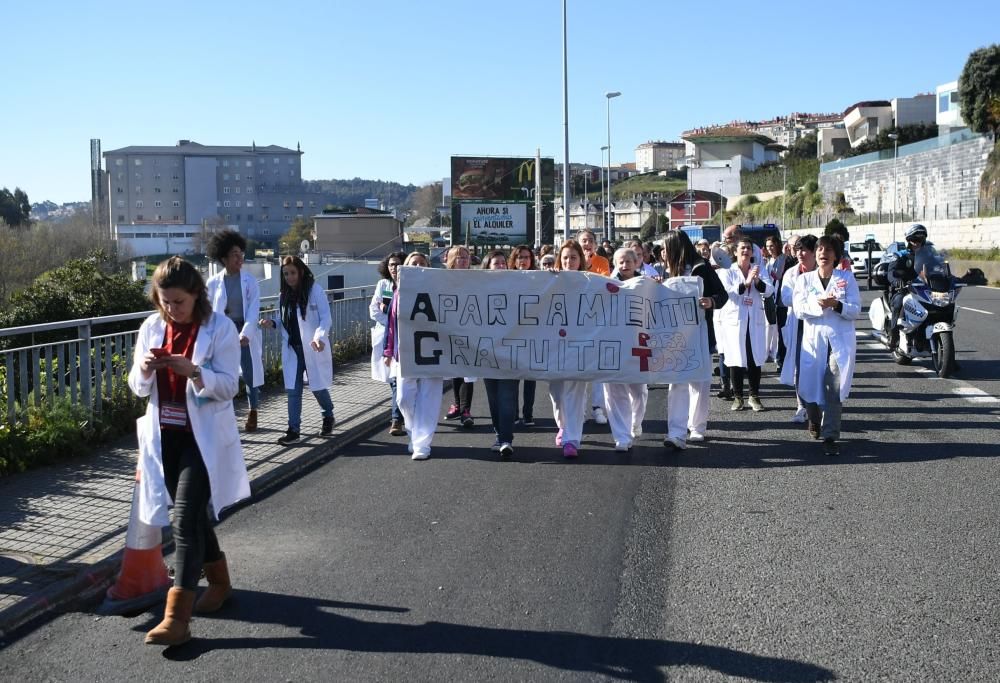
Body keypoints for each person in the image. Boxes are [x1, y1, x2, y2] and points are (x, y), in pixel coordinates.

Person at [128, 257, 250, 646]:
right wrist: (146, 369)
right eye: (164, 301)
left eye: (178, 302)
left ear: (197, 295)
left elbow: (230, 385)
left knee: (182, 519)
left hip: (204, 439)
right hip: (166, 436)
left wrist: (195, 372)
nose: (170, 309)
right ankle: (220, 581)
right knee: (192, 515)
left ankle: (176, 618)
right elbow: (136, 387)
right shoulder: (151, 326)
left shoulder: (220, 328)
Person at [792, 235, 861, 456]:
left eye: (828, 250)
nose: (823, 253)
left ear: (836, 256)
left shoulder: (846, 278)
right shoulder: (804, 280)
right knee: (809, 387)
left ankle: (831, 435)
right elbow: (798, 309)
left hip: (839, 341)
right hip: (813, 341)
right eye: (820, 249)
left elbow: (856, 309)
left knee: (833, 388)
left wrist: (837, 305)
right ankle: (813, 418)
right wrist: (819, 305)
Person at [661, 230, 728, 450]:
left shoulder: (702, 266)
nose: (662, 252)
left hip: (700, 333)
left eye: (665, 248)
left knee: (699, 383)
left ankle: (697, 427)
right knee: (677, 383)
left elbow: (722, 295)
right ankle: (676, 432)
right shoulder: (667, 270)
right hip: (675, 336)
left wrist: (710, 301)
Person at [259, 256, 335, 445]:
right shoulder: (283, 296)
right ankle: (293, 430)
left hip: (311, 347)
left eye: (292, 273)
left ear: (301, 272)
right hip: (293, 349)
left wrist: (319, 336)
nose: (289, 277)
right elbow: (283, 320)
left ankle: (328, 415)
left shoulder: (314, 291)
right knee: (293, 391)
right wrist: (272, 323)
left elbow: (326, 318)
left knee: (317, 387)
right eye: (286, 274)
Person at [382, 252, 441, 460]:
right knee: (404, 398)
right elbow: (391, 325)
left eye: (421, 263)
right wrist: (388, 350)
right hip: (405, 353)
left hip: (432, 352)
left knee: (429, 398)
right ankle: (414, 434)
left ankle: (422, 444)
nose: (416, 266)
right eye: (412, 263)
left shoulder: (437, 289)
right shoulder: (398, 292)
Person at [205, 230, 263, 433]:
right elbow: (208, 313)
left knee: (249, 372)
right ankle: (223, 415)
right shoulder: (212, 283)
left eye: (241, 254)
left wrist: (246, 333)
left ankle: (253, 410)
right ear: (223, 258)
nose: (240, 258)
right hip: (223, 332)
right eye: (235, 254)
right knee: (222, 373)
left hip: (244, 331)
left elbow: (254, 309)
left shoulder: (250, 281)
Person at [719, 237, 774, 412]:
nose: (745, 251)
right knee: (735, 358)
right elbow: (729, 294)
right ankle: (738, 397)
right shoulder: (727, 271)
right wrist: (747, 282)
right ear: (735, 252)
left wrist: (757, 281)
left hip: (754, 321)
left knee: (754, 358)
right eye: (742, 248)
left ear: (752, 252)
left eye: (748, 248)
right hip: (735, 321)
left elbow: (770, 290)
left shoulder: (758, 269)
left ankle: (754, 396)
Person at [548, 240, 591, 458]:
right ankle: (563, 426)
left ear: (580, 260)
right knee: (557, 394)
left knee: (575, 392)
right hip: (554, 346)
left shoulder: (590, 282)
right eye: (565, 257)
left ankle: (572, 439)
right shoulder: (551, 280)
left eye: (573, 257)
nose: (569, 261)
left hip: (579, 345)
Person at [602, 248, 648, 451]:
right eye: (620, 261)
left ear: (637, 262)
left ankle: (635, 423)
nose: (625, 265)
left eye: (629, 260)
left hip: (639, 343)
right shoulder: (604, 284)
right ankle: (621, 436)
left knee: (638, 391)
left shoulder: (648, 284)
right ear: (614, 263)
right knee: (614, 392)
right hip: (612, 344)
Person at [478, 250, 519, 459]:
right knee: (493, 398)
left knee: (507, 397)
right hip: (487, 352)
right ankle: (498, 433)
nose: (501, 266)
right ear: (487, 266)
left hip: (511, 352)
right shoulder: (477, 288)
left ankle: (506, 439)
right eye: (496, 263)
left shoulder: (518, 285)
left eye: (504, 262)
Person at [779, 235, 817, 424]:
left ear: (815, 253)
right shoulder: (791, 274)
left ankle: (818, 406)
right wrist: (809, 300)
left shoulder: (824, 273)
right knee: (799, 366)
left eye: (805, 250)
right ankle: (801, 406)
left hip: (820, 324)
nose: (800, 254)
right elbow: (785, 298)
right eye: (798, 250)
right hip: (799, 322)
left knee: (820, 366)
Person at [369, 252, 407, 436]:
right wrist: (392, 321)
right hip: (386, 337)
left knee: (398, 382)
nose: (394, 268)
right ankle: (400, 416)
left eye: (398, 264)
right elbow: (374, 310)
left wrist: (390, 312)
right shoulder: (383, 285)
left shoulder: (410, 284)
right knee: (394, 382)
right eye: (391, 264)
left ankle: (396, 420)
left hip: (405, 339)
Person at [575, 229, 610, 425]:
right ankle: (578, 409)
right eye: (583, 241)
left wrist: (589, 264)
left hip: (596, 319)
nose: (586, 244)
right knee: (578, 366)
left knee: (597, 366)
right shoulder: (571, 261)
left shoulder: (602, 262)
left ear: (595, 244)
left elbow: (602, 283)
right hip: (576, 321)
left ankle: (598, 407)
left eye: (589, 241)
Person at [443, 246, 476, 428]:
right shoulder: (442, 279)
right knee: (455, 370)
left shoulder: (476, 279)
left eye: (465, 257)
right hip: (450, 330)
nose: (463, 260)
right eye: (459, 258)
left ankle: (465, 410)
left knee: (468, 372)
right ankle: (456, 404)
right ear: (451, 260)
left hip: (470, 331)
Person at [887, 223, 934, 347]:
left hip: (925, 289)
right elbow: (891, 272)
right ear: (909, 240)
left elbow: (940, 267)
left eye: (920, 239)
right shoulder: (900, 255)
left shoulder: (930, 255)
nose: (917, 242)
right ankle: (894, 334)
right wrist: (897, 281)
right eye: (914, 239)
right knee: (899, 302)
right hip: (904, 289)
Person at [509, 245, 537, 426]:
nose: (523, 260)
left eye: (526, 257)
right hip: (511, 334)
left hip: (532, 335)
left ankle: (528, 414)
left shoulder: (540, 278)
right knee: (512, 379)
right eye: (520, 257)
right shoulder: (506, 278)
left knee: (530, 378)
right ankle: (512, 413)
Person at [763, 235, 787, 365]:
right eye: (767, 246)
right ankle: (767, 352)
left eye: (771, 246)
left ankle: (776, 354)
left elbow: (778, 275)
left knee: (778, 328)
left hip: (780, 296)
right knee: (769, 326)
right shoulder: (768, 261)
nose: (770, 248)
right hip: (769, 296)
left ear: (777, 245)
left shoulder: (782, 258)